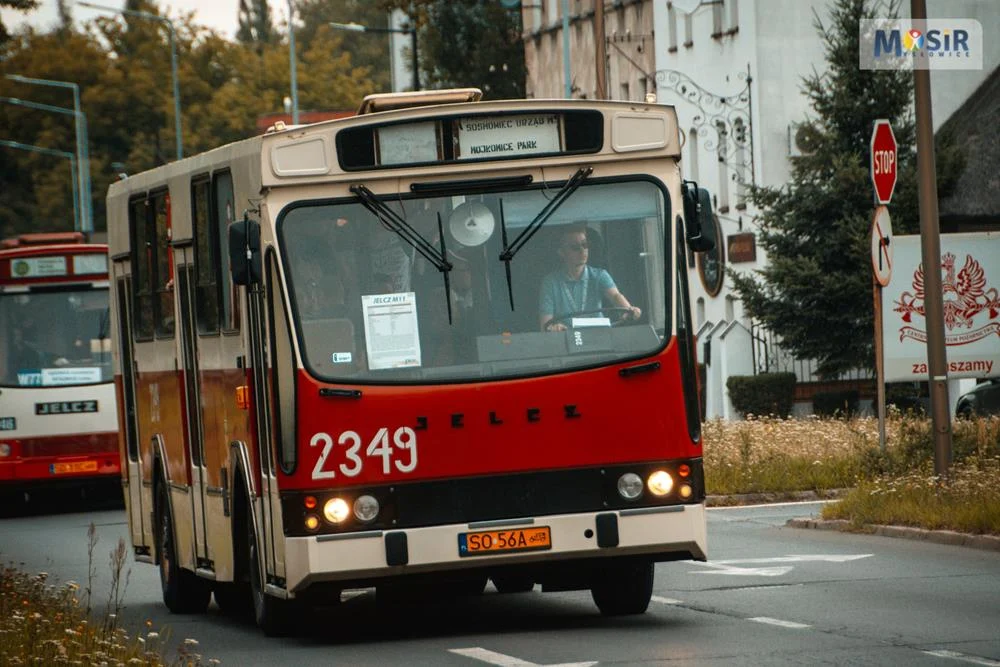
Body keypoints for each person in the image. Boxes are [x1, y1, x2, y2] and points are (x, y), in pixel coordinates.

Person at [539, 225, 641, 332]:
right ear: (561, 252)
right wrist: (554, 329)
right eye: (575, 247)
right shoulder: (550, 283)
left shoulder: (600, 275)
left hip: (600, 335)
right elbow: (545, 326)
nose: (582, 250)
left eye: (585, 244)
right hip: (566, 339)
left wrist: (628, 309)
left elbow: (615, 296)